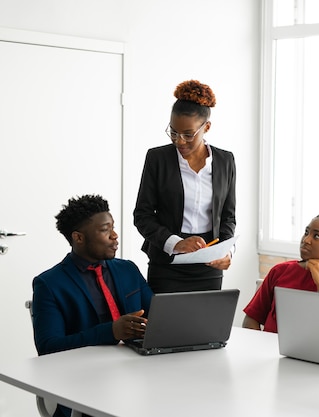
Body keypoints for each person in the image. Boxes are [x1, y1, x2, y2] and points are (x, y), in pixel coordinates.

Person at [32, 195, 153, 417]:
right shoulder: (49, 284)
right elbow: (48, 348)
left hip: (138, 376)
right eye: (105, 230)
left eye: (113, 227)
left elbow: (158, 315)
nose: (115, 235)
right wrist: (111, 331)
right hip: (84, 386)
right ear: (78, 237)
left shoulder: (128, 269)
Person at [134, 79, 236, 293]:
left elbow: (228, 216)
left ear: (206, 127)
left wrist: (227, 252)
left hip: (209, 264)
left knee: (206, 325)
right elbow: (142, 215)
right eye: (173, 132)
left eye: (188, 135)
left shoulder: (225, 161)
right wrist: (176, 243)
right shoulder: (157, 158)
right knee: (165, 325)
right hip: (167, 263)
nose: (180, 141)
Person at [242, 213, 319, 333]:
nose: (306, 240)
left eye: (316, 236)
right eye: (306, 232)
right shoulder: (280, 271)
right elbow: (251, 319)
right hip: (267, 351)